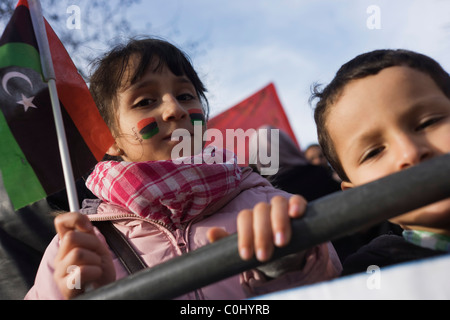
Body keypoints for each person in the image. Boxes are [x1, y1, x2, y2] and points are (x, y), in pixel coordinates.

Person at [25, 38, 341, 300]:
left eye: (185, 95)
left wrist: (288, 268)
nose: (175, 109)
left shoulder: (267, 204)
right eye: (145, 101)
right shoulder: (78, 243)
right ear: (108, 139)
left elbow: (336, 284)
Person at [311, 48, 450, 275]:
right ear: (358, 198)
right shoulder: (369, 276)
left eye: (428, 122)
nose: (409, 153)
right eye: (373, 152)